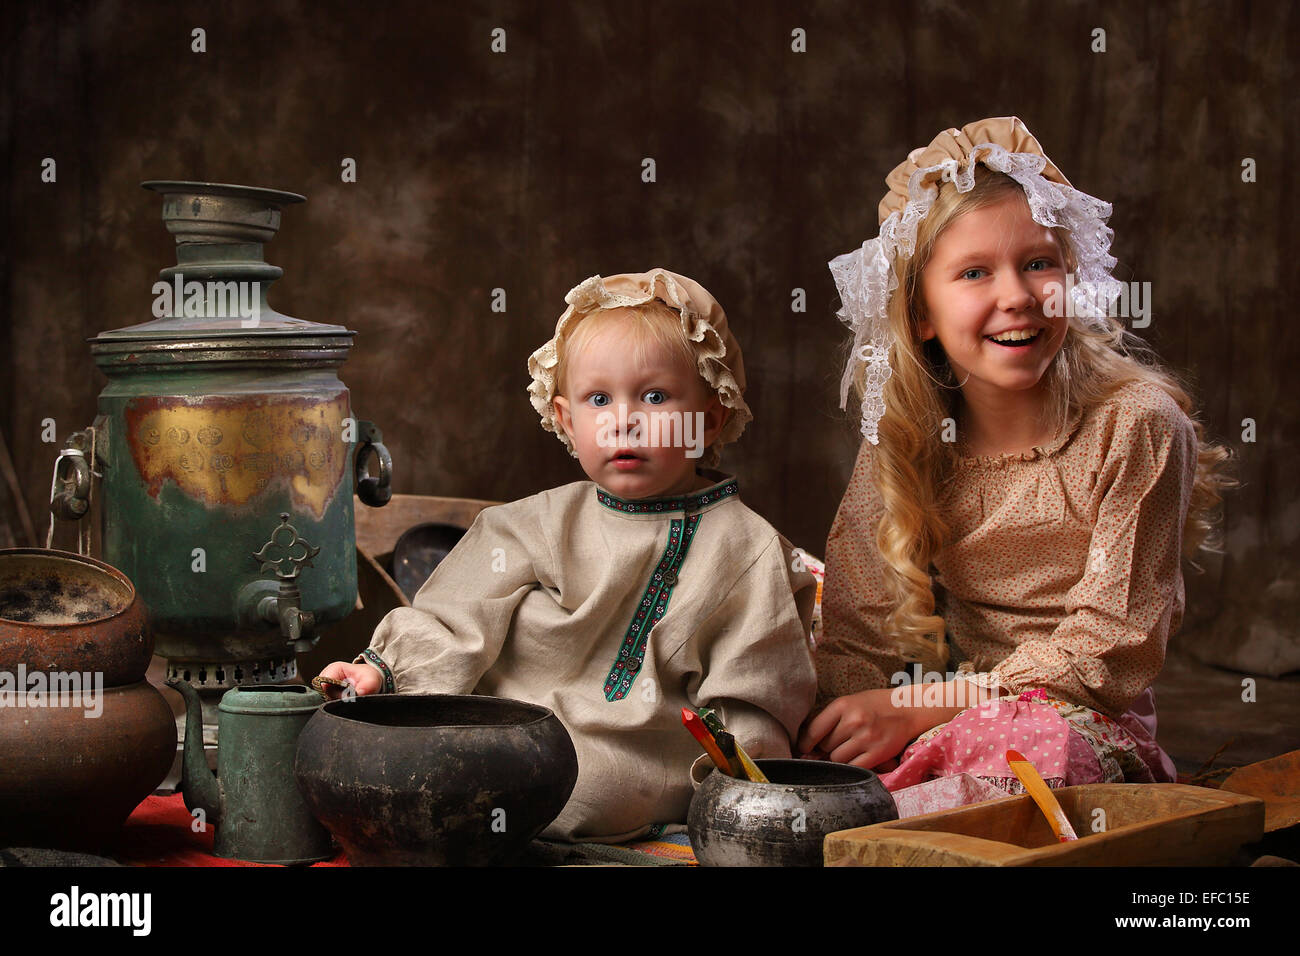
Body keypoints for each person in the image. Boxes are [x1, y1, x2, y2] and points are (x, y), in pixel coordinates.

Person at [798, 117, 1234, 807]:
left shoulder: (1137, 424)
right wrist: (845, 723)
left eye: (1038, 262)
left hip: (1077, 722)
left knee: (1038, 755)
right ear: (920, 315)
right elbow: (860, 629)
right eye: (974, 273)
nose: (1019, 296)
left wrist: (926, 707)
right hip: (934, 709)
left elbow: (1111, 647)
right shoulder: (909, 438)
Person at [319, 268, 817, 841]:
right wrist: (381, 671)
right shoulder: (532, 523)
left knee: (588, 786)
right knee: (417, 757)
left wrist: (736, 780)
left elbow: (753, 695)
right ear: (566, 420)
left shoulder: (747, 549)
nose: (623, 420)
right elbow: (457, 618)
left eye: (655, 396)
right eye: (598, 399)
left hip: (639, 755)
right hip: (506, 727)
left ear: (710, 418)